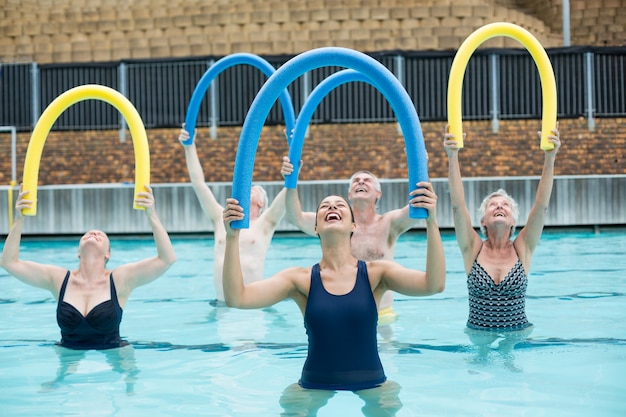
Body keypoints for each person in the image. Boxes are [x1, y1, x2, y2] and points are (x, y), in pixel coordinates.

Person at [222, 185, 445, 415]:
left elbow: (433, 284)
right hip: (313, 384)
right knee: (292, 406)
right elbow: (237, 298)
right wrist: (232, 237)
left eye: (339, 205)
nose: (331, 206)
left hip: (373, 384)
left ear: (353, 226)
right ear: (316, 227)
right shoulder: (300, 279)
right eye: (325, 206)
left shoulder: (376, 274)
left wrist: (432, 221)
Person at [0, 185, 176, 350]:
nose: (94, 232)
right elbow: (9, 263)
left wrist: (151, 214)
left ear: (108, 254)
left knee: (129, 379)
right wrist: (19, 219)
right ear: (78, 252)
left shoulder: (120, 279)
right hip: (67, 354)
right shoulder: (59, 279)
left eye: (100, 234)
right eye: (88, 233)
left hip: (116, 351)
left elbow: (167, 259)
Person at [442, 123, 561, 367]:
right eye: (492, 205)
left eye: (505, 205)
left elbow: (541, 206)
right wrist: (452, 157)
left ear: (514, 220)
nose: (499, 206)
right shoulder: (472, 249)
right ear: (483, 220)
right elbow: (457, 206)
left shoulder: (523, 248)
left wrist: (550, 159)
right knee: (478, 371)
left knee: (513, 372)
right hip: (477, 336)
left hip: (518, 335)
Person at [280, 158, 424, 321]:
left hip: (382, 315)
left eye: (367, 180)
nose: (360, 182)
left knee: (388, 347)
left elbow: (420, 205)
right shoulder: (333, 224)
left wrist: (419, 163)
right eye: (356, 180)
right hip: (341, 313)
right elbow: (295, 217)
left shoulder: (388, 224)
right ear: (349, 194)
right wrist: (291, 179)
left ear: (378, 194)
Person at [179, 127, 287, 303]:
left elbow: (288, 190)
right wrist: (188, 146)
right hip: (221, 304)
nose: (249, 188)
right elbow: (199, 184)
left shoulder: (265, 224)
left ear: (261, 203)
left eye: (255, 189)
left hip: (252, 304)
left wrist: (294, 145)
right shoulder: (220, 217)